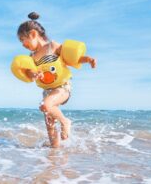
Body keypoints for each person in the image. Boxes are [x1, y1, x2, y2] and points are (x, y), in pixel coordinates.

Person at [16, 12, 96, 148]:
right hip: (47, 92)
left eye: (23, 40)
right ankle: (54, 155)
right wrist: (34, 75)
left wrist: (87, 59)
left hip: (62, 88)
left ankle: (65, 122)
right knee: (50, 125)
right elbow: (30, 73)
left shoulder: (52, 47)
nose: (23, 44)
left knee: (45, 106)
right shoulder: (32, 57)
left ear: (33, 34)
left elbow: (71, 58)